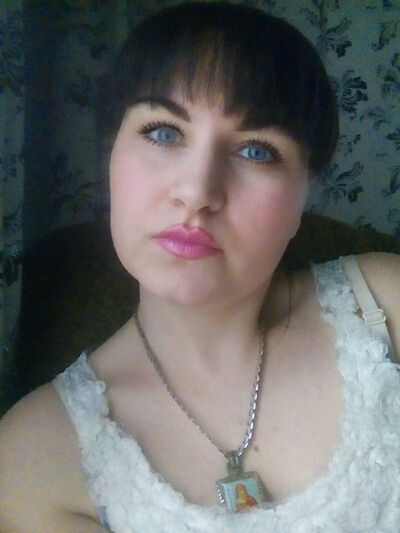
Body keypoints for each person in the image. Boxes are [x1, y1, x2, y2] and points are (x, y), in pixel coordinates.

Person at [1, 2, 399, 532]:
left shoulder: (385, 306)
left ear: (304, 197)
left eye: (256, 151)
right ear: (110, 157)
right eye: (164, 133)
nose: (196, 191)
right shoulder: (33, 458)